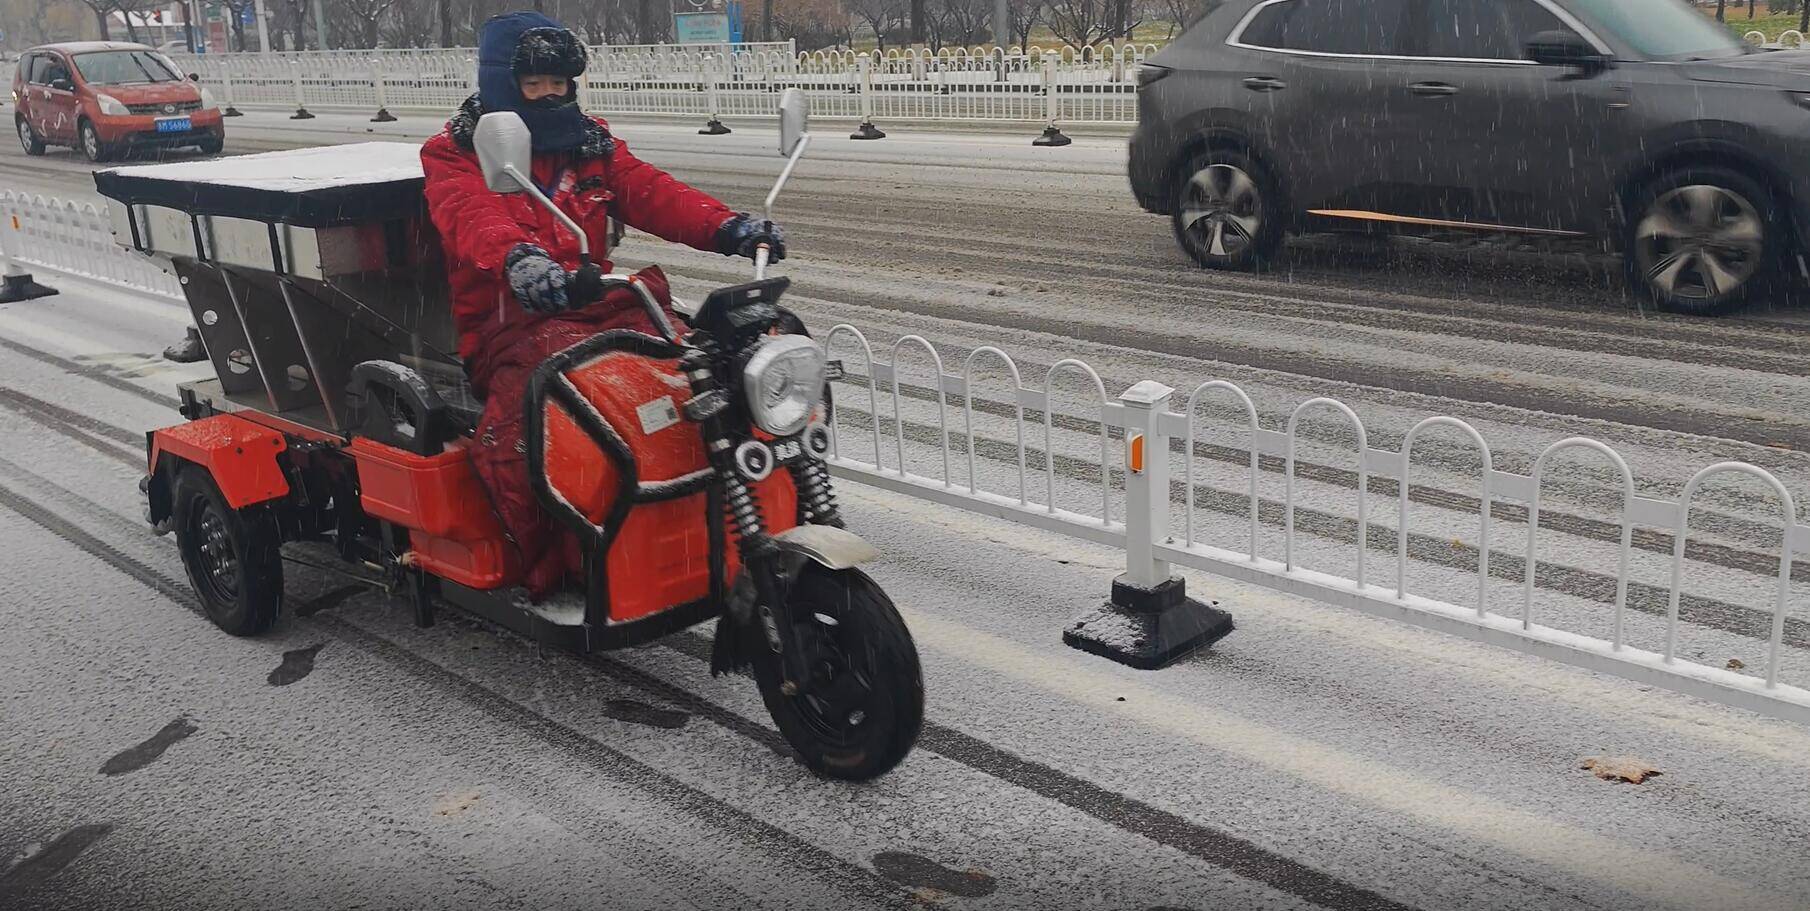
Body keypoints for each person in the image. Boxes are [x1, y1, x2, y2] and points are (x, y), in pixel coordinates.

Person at [421, 10, 785, 600]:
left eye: (558, 83)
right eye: (533, 83)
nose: (548, 95)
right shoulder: (455, 153)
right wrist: (521, 261)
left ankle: (701, 527)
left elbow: (651, 190)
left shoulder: (589, 145)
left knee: (697, 383)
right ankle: (555, 568)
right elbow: (469, 215)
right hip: (512, 329)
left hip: (602, 305)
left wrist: (730, 228)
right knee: (523, 440)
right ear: (501, 83)